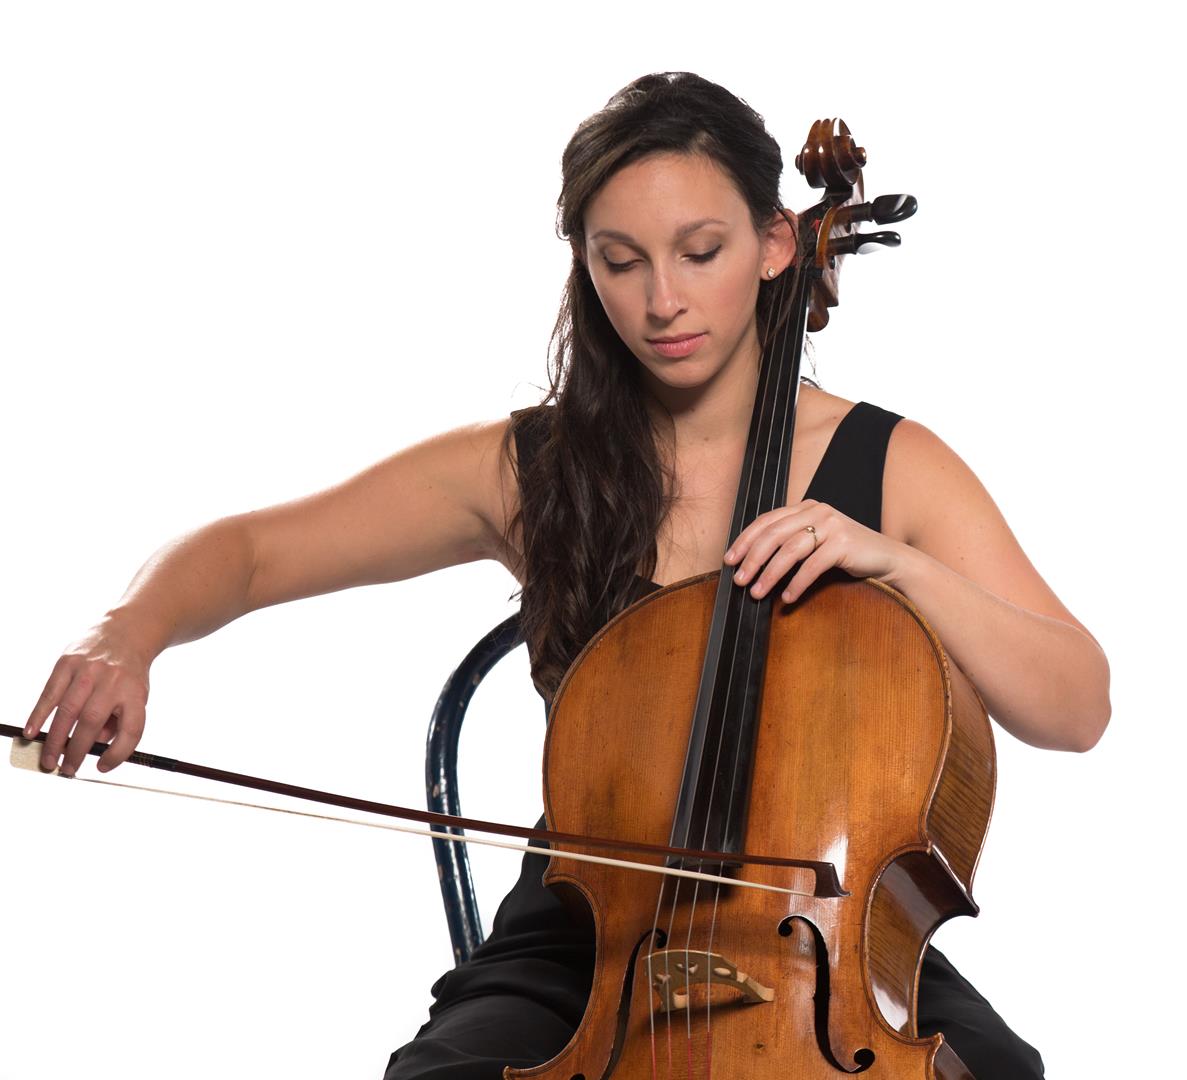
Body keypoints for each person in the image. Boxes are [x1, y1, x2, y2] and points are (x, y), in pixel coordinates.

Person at [20, 71, 1109, 1078]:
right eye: (619, 260)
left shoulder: (889, 466)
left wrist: (898, 562)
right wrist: (127, 632)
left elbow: (1076, 702)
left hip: (829, 934)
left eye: (701, 251)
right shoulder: (533, 469)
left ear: (779, 243)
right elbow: (251, 550)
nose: (662, 301)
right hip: (586, 936)